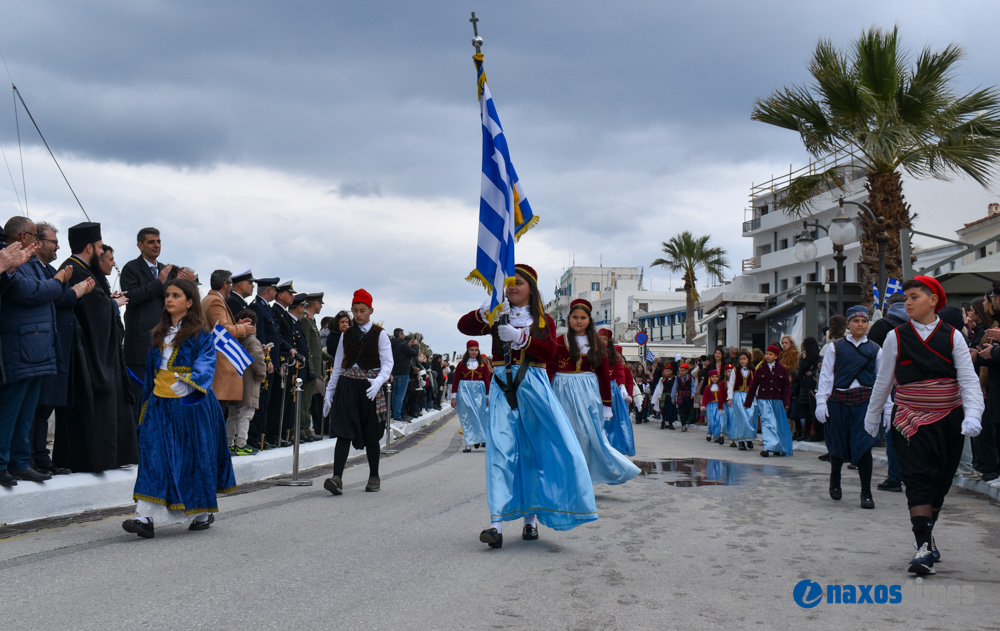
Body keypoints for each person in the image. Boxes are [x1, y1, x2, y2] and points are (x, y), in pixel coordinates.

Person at [458, 264, 597, 549]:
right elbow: (464, 326)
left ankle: (530, 521)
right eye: (509, 283)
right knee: (500, 451)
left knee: (534, 452)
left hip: (533, 387)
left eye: (518, 283)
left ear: (531, 288)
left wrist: (522, 338)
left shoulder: (543, 320)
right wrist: (483, 313)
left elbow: (551, 352)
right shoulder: (498, 316)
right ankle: (496, 524)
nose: (512, 287)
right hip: (501, 387)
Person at [865, 277, 983, 575]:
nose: (907, 302)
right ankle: (922, 549)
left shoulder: (953, 336)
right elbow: (884, 380)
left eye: (914, 296)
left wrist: (972, 415)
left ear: (934, 301)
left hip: (948, 419)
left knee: (939, 484)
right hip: (908, 419)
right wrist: (873, 414)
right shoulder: (896, 336)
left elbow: (968, 379)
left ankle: (926, 539)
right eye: (906, 297)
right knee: (917, 479)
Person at [122, 279, 237, 539]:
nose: (169, 299)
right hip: (160, 404)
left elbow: (207, 364)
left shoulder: (201, 334)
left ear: (189, 301)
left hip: (191, 404)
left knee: (194, 457)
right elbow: (152, 372)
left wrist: (191, 384)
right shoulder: (158, 333)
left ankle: (201, 511)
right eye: (167, 295)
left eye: (176, 295)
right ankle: (144, 517)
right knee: (153, 457)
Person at [53, 222, 139, 473]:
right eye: (100, 247)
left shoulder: (84, 270)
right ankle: (89, 460)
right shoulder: (75, 270)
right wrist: (112, 306)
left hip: (95, 351)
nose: (103, 252)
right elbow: (94, 309)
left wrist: (108, 304)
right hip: (85, 354)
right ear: (90, 246)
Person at [0, 217, 70, 487]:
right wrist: (59, 282)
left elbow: (44, 289)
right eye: (33, 235)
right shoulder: (9, 259)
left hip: (37, 348)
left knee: (26, 411)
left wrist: (54, 284)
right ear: (21, 236)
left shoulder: (32, 262)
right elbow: (26, 291)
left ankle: (19, 462)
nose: (36, 241)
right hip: (19, 346)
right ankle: (3, 463)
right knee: (10, 409)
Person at [549, 299, 639, 486]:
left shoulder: (597, 344)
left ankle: (585, 478)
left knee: (588, 436)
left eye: (583, 318)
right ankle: (568, 479)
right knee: (565, 435)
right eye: (575, 317)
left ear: (589, 320)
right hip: (562, 390)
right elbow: (549, 368)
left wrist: (607, 405)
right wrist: (547, 394)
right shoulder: (558, 342)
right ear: (569, 319)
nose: (578, 321)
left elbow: (604, 375)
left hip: (589, 392)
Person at [28, 222, 93, 477]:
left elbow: (63, 298)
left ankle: (41, 457)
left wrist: (79, 291)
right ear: (38, 242)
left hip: (56, 346)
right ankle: (32, 457)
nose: (57, 247)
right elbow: (56, 299)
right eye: (53, 242)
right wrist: (75, 291)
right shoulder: (35, 269)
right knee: (37, 408)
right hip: (41, 346)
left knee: (46, 407)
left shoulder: (50, 270)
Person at [322, 289, 393, 495]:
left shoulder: (380, 334)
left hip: (370, 387)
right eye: (355, 311)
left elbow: (388, 363)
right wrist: (330, 392)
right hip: (347, 385)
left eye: (362, 310)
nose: (358, 314)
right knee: (343, 431)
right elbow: (338, 365)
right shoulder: (346, 335)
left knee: (371, 434)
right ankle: (337, 478)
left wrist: (378, 381)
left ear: (371, 310)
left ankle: (374, 476)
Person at [120, 227, 194, 422]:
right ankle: (136, 447)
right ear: (140, 245)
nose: (156, 245)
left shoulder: (166, 270)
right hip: (140, 346)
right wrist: (159, 282)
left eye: (158, 241)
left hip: (164, 345)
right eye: (151, 242)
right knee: (139, 400)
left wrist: (184, 285)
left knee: (161, 399)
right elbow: (131, 297)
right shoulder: (131, 268)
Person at [815, 305, 881, 509]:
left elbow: (881, 380)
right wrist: (821, 401)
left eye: (863, 321)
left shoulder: (876, 349)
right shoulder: (836, 347)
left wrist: (884, 407)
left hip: (864, 402)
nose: (860, 325)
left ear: (867, 324)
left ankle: (866, 493)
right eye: (856, 321)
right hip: (839, 400)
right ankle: (835, 480)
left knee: (864, 446)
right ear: (848, 324)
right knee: (837, 444)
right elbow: (826, 376)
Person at [247, 277, 280, 449]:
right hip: (264, 360)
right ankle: (256, 437)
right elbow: (260, 337)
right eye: (275, 290)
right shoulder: (257, 307)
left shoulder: (266, 308)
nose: (276, 293)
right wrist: (265, 360)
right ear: (269, 291)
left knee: (266, 402)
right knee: (260, 401)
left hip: (270, 360)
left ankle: (262, 435)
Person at [744, 344, 794, 458]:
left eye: (770, 354)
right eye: (766, 354)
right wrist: (748, 402)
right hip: (764, 399)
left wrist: (786, 402)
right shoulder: (761, 368)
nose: (767, 356)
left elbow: (786, 387)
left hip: (777, 400)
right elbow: (753, 385)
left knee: (778, 424)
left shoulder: (782, 369)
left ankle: (778, 447)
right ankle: (767, 447)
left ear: (776, 356)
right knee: (767, 422)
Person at [228, 309, 266, 456]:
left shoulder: (235, 338)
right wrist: (261, 375)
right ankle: (241, 444)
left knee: (232, 415)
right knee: (245, 415)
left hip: (234, 383)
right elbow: (257, 360)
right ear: (253, 326)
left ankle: (228, 442)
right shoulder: (252, 341)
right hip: (249, 384)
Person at [596, 331, 636, 457]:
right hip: (596, 387)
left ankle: (613, 445)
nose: (602, 341)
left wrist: (622, 387)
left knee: (614, 420)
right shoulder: (592, 354)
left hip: (611, 390)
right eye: (600, 338)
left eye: (605, 339)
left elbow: (619, 372)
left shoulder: (614, 358)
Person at [451, 340, 490, 452]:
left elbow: (487, 380)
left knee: (480, 414)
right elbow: (456, 380)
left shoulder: (483, 364)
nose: (474, 352)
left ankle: (479, 438)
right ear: (467, 350)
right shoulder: (461, 364)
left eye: (476, 350)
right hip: (465, 391)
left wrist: (488, 396)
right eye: (472, 350)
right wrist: (454, 397)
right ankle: (469, 443)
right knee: (467, 416)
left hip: (479, 392)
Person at [727, 350, 757, 450]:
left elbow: (756, 385)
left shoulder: (753, 371)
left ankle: (749, 438)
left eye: (744, 359)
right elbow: (731, 384)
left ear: (748, 359)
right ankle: (741, 441)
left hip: (750, 396)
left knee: (750, 417)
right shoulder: (735, 370)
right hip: (738, 396)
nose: (742, 361)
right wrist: (730, 397)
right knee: (741, 418)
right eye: (740, 359)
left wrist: (757, 396)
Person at [795, 337, 822, 442]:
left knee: (810, 411)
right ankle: (811, 433)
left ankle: (812, 433)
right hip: (809, 386)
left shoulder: (809, 357)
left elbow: (800, 372)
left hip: (809, 387)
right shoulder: (817, 356)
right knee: (810, 412)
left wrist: (803, 361)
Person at [390, 328, 420, 421]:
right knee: (400, 395)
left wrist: (408, 345)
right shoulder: (402, 345)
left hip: (394, 372)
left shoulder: (392, 344)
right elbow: (414, 353)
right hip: (403, 373)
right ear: (400, 335)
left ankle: (393, 413)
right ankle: (397, 415)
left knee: (394, 394)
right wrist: (415, 346)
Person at [701, 369, 728, 446]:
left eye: (716, 377)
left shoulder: (721, 386)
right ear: (710, 378)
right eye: (713, 377)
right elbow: (705, 397)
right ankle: (709, 432)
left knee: (719, 421)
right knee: (711, 421)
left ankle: (717, 435)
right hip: (711, 406)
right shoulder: (708, 387)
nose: (715, 378)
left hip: (719, 405)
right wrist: (703, 405)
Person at [672, 363, 696, 432]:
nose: (682, 372)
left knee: (687, 410)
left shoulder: (691, 379)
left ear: (687, 371)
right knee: (681, 410)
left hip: (688, 397)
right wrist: (673, 398)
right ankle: (683, 425)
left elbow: (693, 387)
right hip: (680, 397)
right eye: (681, 370)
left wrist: (693, 394)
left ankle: (685, 422)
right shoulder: (678, 379)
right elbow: (674, 388)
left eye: (683, 370)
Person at [658, 364, 677, 430]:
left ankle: (670, 423)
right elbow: (660, 388)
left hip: (671, 396)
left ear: (671, 372)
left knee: (671, 409)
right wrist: (659, 395)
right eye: (666, 371)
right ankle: (663, 422)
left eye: (669, 371)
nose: (667, 372)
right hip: (664, 395)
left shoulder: (675, 379)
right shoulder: (662, 379)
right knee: (663, 409)